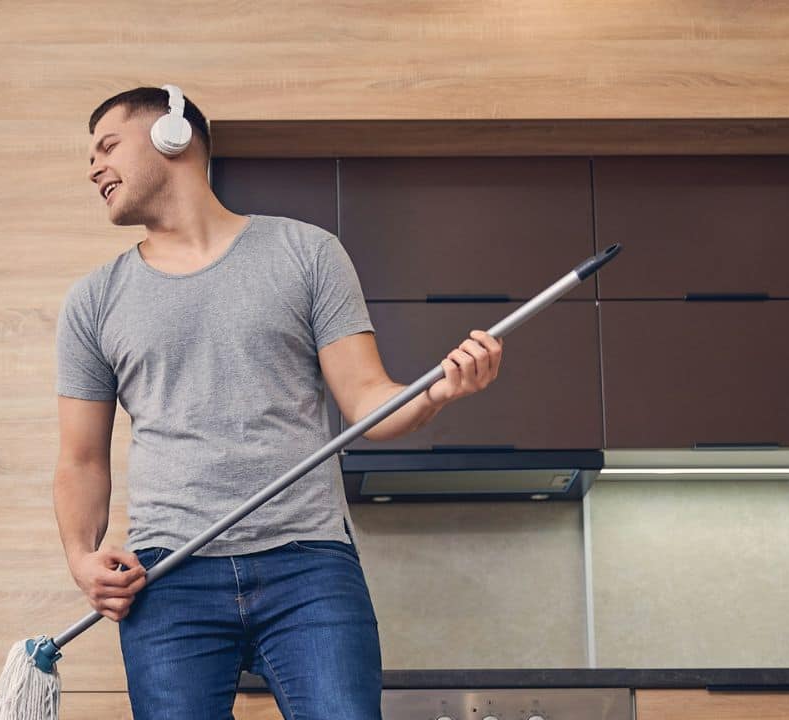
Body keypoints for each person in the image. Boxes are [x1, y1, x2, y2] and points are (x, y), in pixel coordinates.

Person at [53, 85, 503, 719]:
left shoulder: (306, 253)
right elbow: (80, 460)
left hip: (308, 564)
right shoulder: (94, 301)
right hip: (167, 574)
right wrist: (81, 558)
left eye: (107, 147)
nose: (94, 168)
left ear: (172, 137)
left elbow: (368, 401)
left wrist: (438, 390)